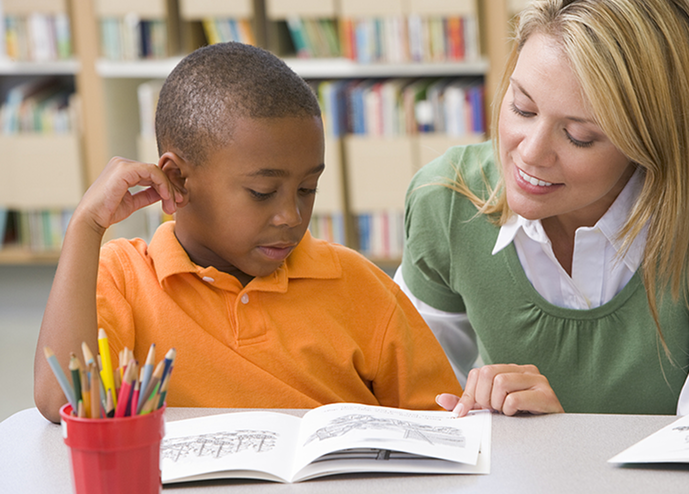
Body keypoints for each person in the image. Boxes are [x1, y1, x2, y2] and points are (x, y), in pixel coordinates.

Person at [394, 0, 689, 417]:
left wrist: (568, 440)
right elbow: (409, 405)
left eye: (579, 136)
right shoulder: (444, 200)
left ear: (652, 142)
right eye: (522, 107)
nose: (531, 153)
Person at [34, 42, 461, 423]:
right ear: (178, 179)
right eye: (262, 193)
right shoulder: (124, 278)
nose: (291, 216)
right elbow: (62, 401)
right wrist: (85, 227)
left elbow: (444, 427)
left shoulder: (361, 287)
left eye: (307, 189)